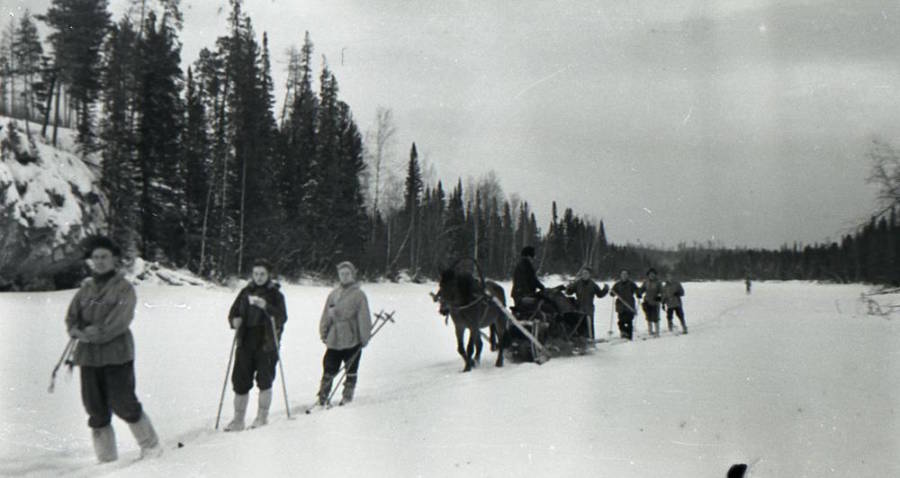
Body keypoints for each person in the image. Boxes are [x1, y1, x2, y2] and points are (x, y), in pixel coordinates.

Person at [64, 236, 162, 462]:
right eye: (96, 257)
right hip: (88, 357)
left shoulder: (123, 288)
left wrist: (90, 334)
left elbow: (120, 320)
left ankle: (151, 446)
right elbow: (72, 318)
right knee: (95, 409)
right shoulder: (86, 288)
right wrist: (76, 331)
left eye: (104, 257)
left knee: (123, 402)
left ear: (114, 259)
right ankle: (106, 459)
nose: (99, 261)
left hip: (117, 354)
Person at [224, 259, 287, 431]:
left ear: (268, 275)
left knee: (265, 380)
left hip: (267, 341)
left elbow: (282, 317)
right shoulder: (245, 292)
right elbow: (233, 312)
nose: (259, 277)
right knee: (240, 380)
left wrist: (266, 306)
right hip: (246, 340)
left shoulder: (275, 294)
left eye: (262, 274)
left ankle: (262, 417)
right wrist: (234, 320)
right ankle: (238, 420)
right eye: (256, 274)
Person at [317, 261, 373, 406]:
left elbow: (364, 317)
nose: (345, 276)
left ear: (353, 275)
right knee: (329, 366)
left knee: (351, 367)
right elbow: (326, 314)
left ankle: (347, 396)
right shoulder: (333, 294)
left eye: (347, 274)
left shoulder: (359, 295)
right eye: (342, 274)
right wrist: (324, 331)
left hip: (352, 337)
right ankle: (323, 396)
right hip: (334, 338)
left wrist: (364, 337)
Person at [564, 266, 609, 339]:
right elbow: (569, 292)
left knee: (589, 325)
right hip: (579, 308)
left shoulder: (593, 284)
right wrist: (568, 287)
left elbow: (599, 294)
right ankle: (580, 339)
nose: (584, 275)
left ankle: (590, 339)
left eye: (586, 273)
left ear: (589, 275)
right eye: (583, 273)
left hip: (589, 309)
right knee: (579, 325)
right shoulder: (577, 283)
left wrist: (605, 290)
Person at [511, 246, 546, 311]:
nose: (533, 257)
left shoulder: (520, 263)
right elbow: (533, 279)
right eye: (533, 255)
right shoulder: (526, 264)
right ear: (529, 255)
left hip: (518, 293)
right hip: (524, 294)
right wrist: (542, 288)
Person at [610, 269, 640, 340]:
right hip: (620, 306)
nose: (624, 276)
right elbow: (612, 292)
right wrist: (612, 293)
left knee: (629, 321)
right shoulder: (617, 284)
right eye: (622, 274)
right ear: (620, 275)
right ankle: (623, 333)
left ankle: (629, 336)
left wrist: (638, 294)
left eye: (625, 274)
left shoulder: (632, 284)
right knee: (621, 321)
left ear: (628, 275)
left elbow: (637, 291)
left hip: (629, 306)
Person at [639, 268, 663, 337]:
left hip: (655, 302)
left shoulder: (658, 282)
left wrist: (660, 297)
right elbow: (642, 289)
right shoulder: (646, 282)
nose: (651, 275)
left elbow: (662, 291)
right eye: (650, 274)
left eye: (653, 274)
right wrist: (639, 293)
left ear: (655, 275)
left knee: (656, 317)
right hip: (647, 301)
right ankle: (650, 331)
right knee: (648, 317)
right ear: (648, 275)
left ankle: (657, 332)